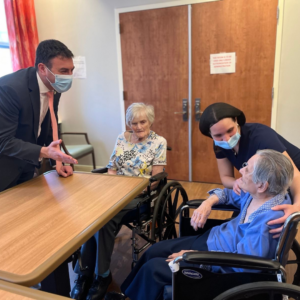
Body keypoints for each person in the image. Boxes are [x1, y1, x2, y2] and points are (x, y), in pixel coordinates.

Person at [105, 149, 293, 300]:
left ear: (262, 185)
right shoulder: (259, 195)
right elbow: (226, 194)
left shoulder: (266, 224)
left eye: (247, 169)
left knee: (153, 269)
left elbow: (243, 267)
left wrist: (198, 258)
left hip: (219, 266)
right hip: (212, 240)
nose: (241, 170)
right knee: (154, 251)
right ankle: (126, 294)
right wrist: (207, 203)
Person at [71, 103, 167, 300]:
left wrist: (132, 191)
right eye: (134, 123)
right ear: (128, 123)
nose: (138, 127)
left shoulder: (159, 142)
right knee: (92, 214)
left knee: (104, 220)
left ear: (150, 121)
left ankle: (102, 276)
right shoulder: (121, 138)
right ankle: (84, 274)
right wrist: (113, 188)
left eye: (143, 122)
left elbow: (157, 179)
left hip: (141, 196)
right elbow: (112, 167)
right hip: (116, 192)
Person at [198, 102, 300, 237]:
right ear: (210, 135)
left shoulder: (261, 137)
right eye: (218, 136)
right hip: (268, 187)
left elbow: (295, 175)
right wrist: (236, 183)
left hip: (293, 180)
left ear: (236, 121)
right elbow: (226, 177)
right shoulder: (219, 145)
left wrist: (297, 207)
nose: (226, 139)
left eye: (230, 131)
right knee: (242, 221)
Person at [0, 39, 78, 192]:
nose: (69, 76)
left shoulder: (53, 87)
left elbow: (50, 124)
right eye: (63, 71)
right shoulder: (9, 90)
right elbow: (3, 141)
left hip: (28, 164)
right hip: (5, 169)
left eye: (71, 70)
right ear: (42, 68)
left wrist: (58, 162)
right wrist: (44, 151)